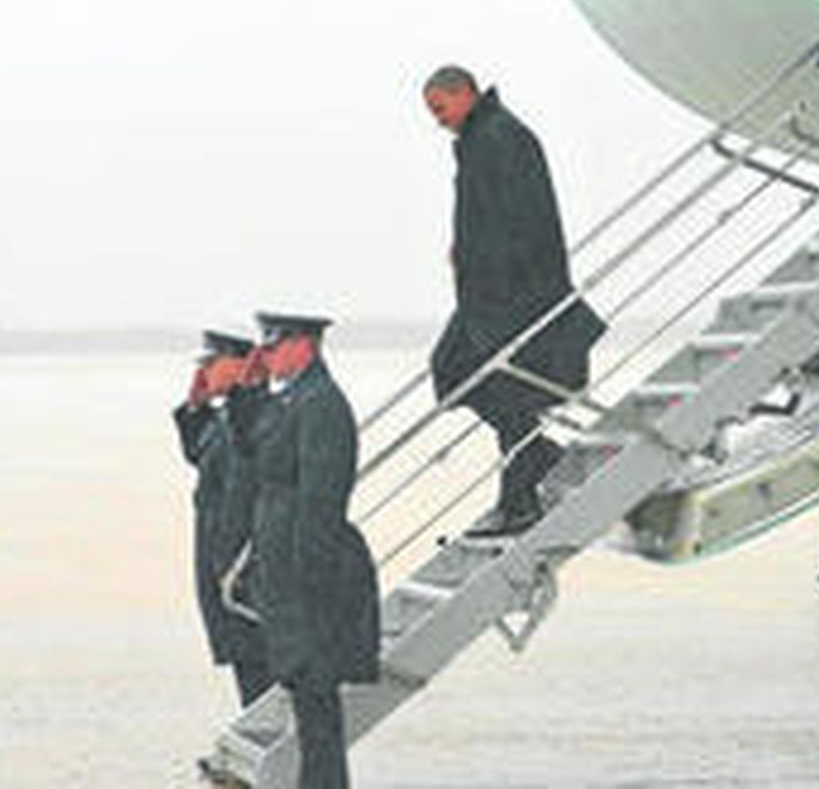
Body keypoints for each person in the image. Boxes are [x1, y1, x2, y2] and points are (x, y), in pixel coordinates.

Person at [423, 66, 605, 537]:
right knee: (453, 369)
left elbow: (524, 216)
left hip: (513, 292)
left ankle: (521, 498)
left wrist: (481, 257)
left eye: (440, 109)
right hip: (488, 292)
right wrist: (464, 247)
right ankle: (537, 461)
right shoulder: (482, 136)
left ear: (463, 93)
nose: (438, 121)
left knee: (504, 386)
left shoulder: (499, 136)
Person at [245, 312, 378, 789]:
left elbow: (322, 501)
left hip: (309, 585)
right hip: (288, 581)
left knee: (320, 718)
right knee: (311, 714)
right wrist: (249, 391)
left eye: (274, 347)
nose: (266, 356)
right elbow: (253, 454)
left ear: (305, 346)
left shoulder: (321, 404)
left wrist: (308, 585)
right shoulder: (295, 400)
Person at [175, 330, 272, 706]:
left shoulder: (254, 415)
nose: (204, 372)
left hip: (245, 577)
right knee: (249, 679)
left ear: (241, 364)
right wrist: (196, 407)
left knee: (261, 683)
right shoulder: (230, 414)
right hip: (226, 574)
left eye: (211, 364)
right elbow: (204, 456)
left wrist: (233, 568)